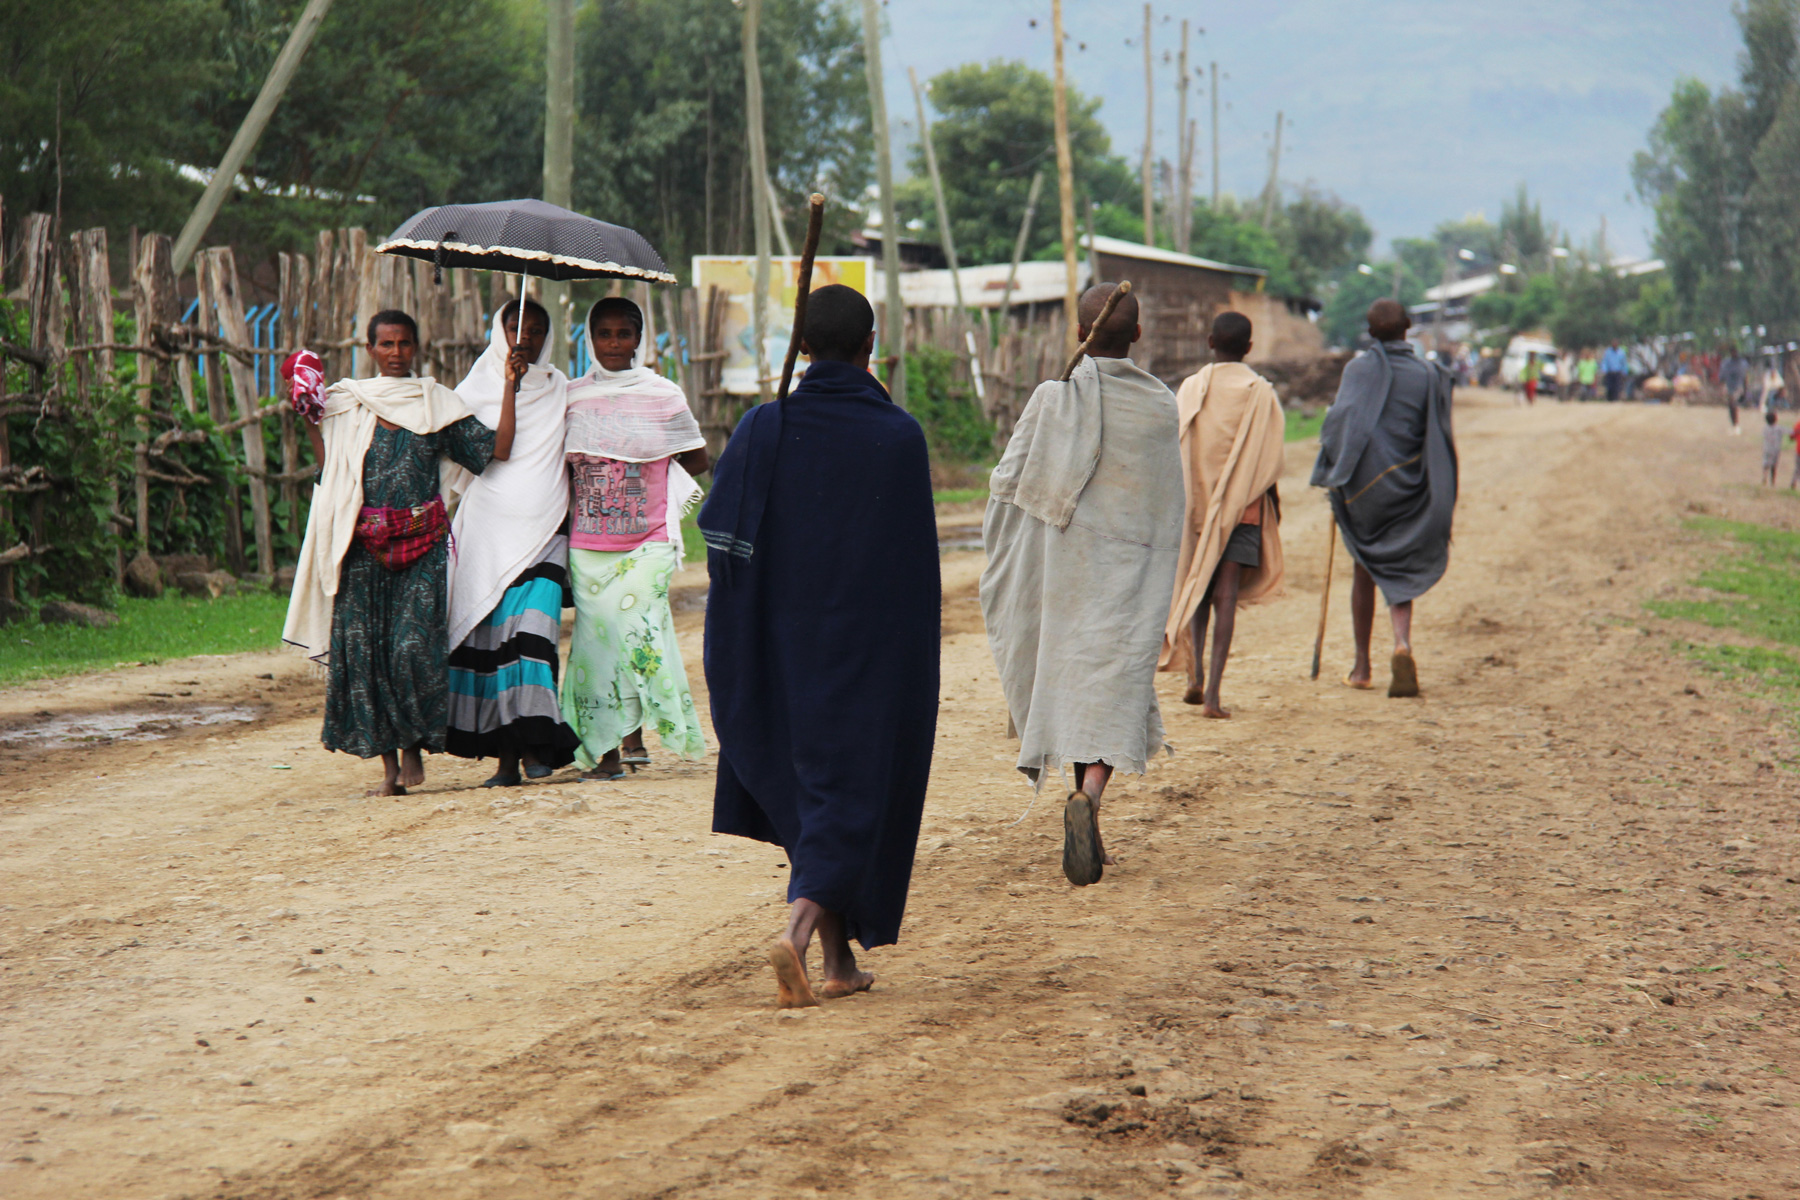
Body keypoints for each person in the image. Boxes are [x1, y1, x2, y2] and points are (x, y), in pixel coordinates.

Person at [702, 285, 939, 1008]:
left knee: (816, 788)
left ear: (800, 348)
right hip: (867, 647)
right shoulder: (898, 436)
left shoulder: (762, 428)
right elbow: (915, 571)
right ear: (872, 346)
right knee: (853, 789)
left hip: (780, 645)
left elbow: (722, 543)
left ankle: (840, 965)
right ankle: (800, 933)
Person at [981, 283, 1185, 888]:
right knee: (1115, 683)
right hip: (1130, 574)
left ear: (1077, 336)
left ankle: (1084, 814)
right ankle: (1090, 799)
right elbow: (1165, 504)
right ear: (1138, 336)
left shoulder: (1052, 399)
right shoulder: (1161, 405)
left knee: (1073, 679)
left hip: (1065, 569)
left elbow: (1008, 482)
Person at [283, 310, 511, 796]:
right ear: (369, 349)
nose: (395, 353)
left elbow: (492, 452)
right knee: (366, 654)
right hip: (361, 546)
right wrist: (308, 421)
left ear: (416, 348)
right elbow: (329, 470)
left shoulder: (437, 404)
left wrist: (512, 385)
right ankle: (389, 771)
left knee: (412, 650)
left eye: (404, 344)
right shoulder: (346, 403)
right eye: (386, 344)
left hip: (423, 547)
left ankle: (413, 751)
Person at [561, 297, 711, 780]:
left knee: (634, 631)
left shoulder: (662, 394)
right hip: (588, 547)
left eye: (623, 334)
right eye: (604, 334)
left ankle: (643, 732)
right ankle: (609, 751)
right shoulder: (573, 397)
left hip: (648, 540)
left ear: (638, 340)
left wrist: (651, 464)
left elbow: (697, 457)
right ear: (590, 338)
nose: (613, 344)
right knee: (595, 646)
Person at [444, 299, 581, 786]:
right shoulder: (474, 389)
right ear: (500, 330)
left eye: (538, 329)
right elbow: (489, 455)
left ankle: (537, 748)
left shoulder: (561, 387)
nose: (527, 336)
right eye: (517, 326)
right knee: (495, 646)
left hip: (545, 531)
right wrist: (508, 384)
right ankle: (506, 761)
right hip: (488, 532)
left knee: (533, 640)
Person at [1312, 299, 1457, 698]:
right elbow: (1438, 436)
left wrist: (1331, 463)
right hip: (1410, 487)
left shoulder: (1357, 370)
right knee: (1401, 568)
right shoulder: (1428, 375)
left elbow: (1340, 424)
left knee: (1364, 566)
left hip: (1366, 492)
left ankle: (1362, 666)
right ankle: (1402, 644)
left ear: (1370, 332)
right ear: (1409, 327)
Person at [1159, 311, 1286, 719]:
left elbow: (1175, 445)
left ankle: (1194, 676)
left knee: (1198, 587)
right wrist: (1274, 506)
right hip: (1243, 509)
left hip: (1194, 506)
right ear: (1249, 348)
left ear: (1210, 342)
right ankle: (1213, 694)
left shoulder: (1192, 387)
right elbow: (1268, 461)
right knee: (1226, 594)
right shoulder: (1260, 392)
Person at [1722, 346, 1749, 434]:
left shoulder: (1742, 363)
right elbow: (1724, 376)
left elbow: (1745, 377)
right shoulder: (1727, 363)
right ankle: (1733, 424)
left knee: (1734, 404)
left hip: (1738, 387)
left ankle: (1737, 425)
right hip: (1730, 387)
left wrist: (1745, 389)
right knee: (1731, 406)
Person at [1763, 409, 1784, 486]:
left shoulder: (1765, 428)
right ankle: (1773, 481)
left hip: (1767, 448)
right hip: (1775, 450)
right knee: (1773, 466)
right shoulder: (1778, 428)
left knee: (1766, 464)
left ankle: (1764, 476)